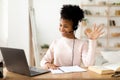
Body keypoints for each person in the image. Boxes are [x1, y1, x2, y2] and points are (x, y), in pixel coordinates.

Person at [40, 4, 104, 69]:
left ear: (74, 27)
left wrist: (92, 40)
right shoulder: (55, 42)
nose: (61, 29)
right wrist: (48, 64)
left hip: (75, 77)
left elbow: (89, 64)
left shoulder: (82, 44)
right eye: (60, 25)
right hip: (57, 76)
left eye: (65, 26)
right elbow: (43, 61)